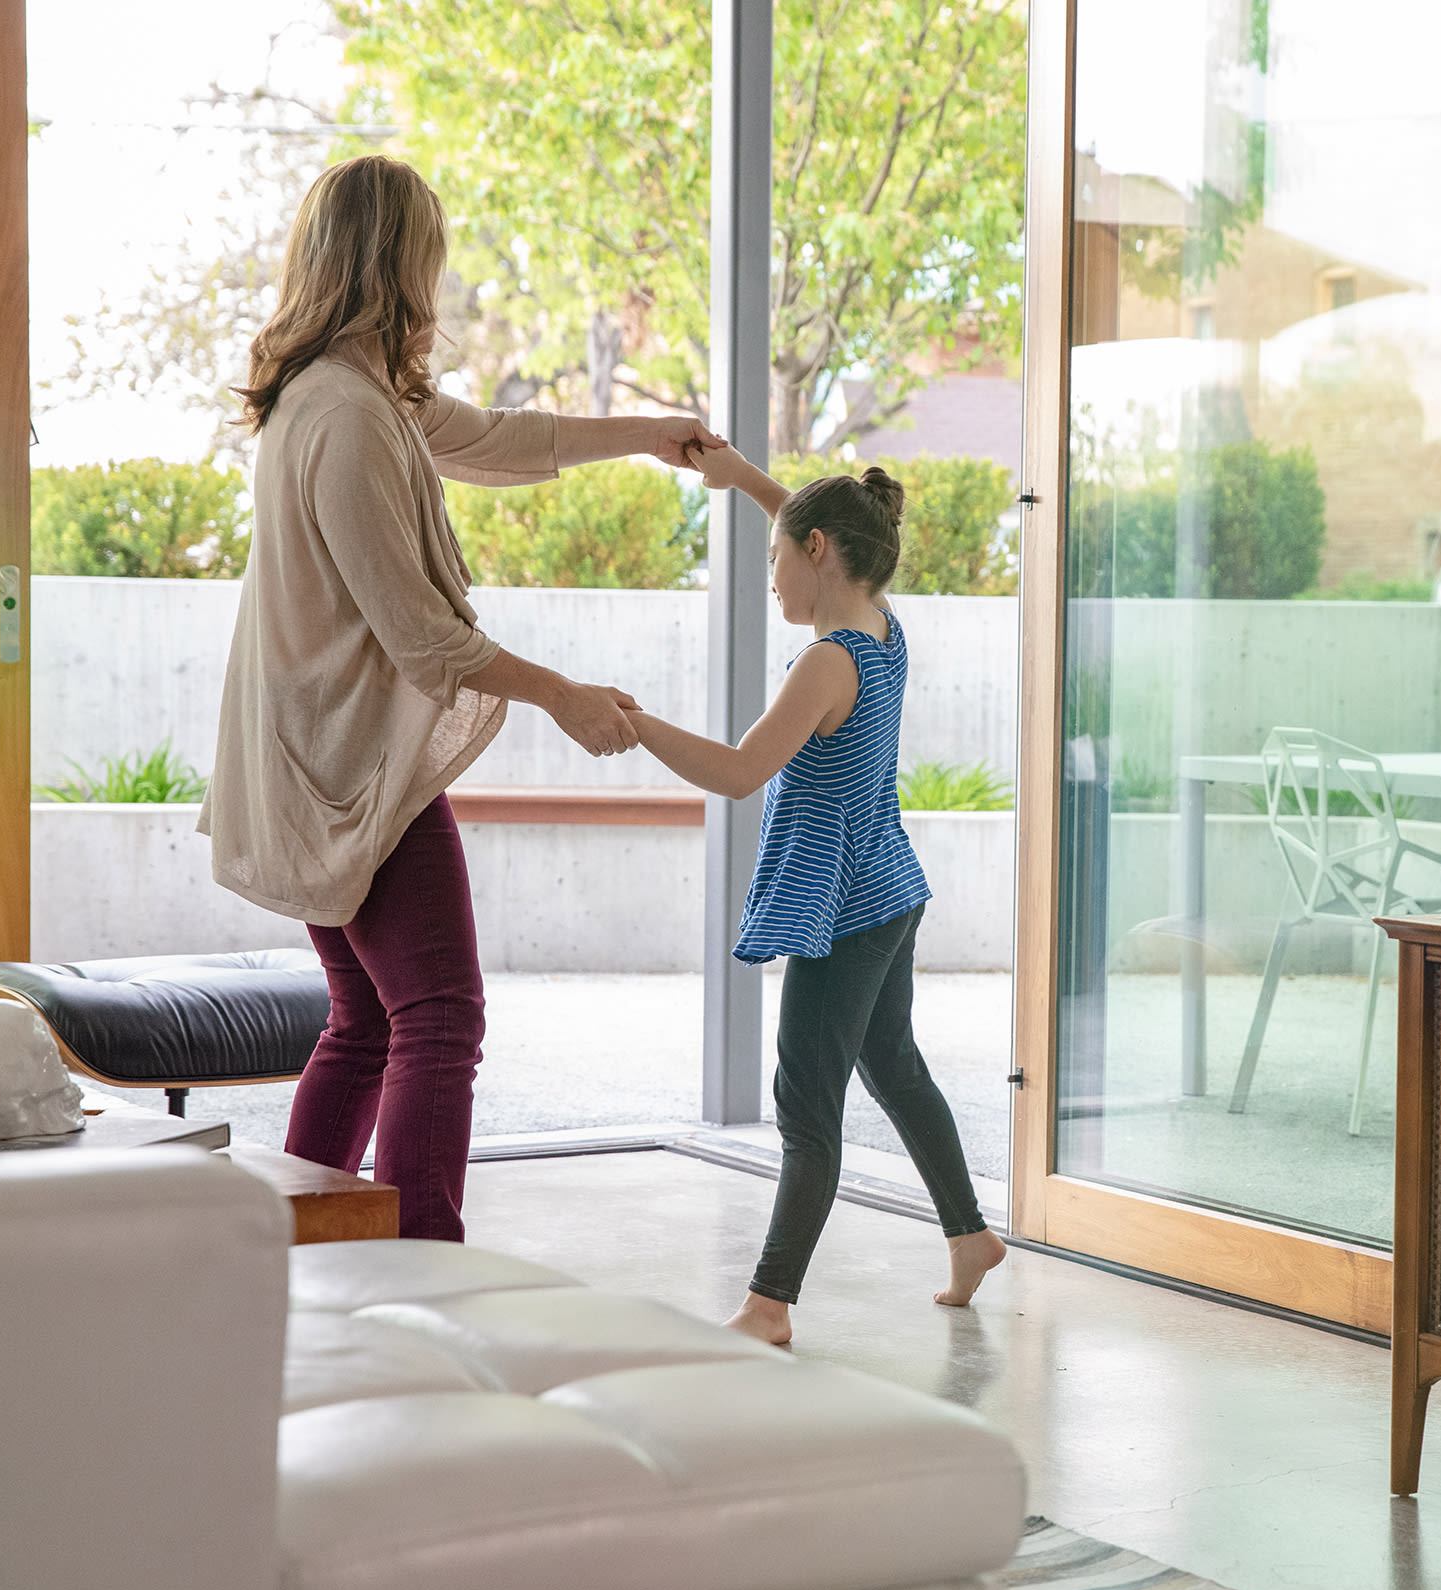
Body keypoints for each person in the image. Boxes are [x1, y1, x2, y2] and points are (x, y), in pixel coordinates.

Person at [200, 154, 721, 1241]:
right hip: (352, 768)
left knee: (364, 1024)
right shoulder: (346, 416)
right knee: (439, 1017)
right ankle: (418, 1264)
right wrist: (562, 695)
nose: (438, 277)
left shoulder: (352, 394)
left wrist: (647, 434)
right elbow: (421, 634)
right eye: (430, 253)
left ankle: (294, 1253)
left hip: (325, 758)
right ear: (396, 262)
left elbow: (491, 436)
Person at [627, 442, 1005, 1345]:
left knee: (805, 1109)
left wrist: (635, 723)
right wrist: (745, 479)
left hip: (845, 913)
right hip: (891, 887)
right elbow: (803, 516)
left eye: (775, 559)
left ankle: (768, 1306)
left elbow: (737, 771)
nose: (770, 578)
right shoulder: (883, 626)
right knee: (894, 1066)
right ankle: (972, 1236)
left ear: (819, 550)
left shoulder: (828, 663)